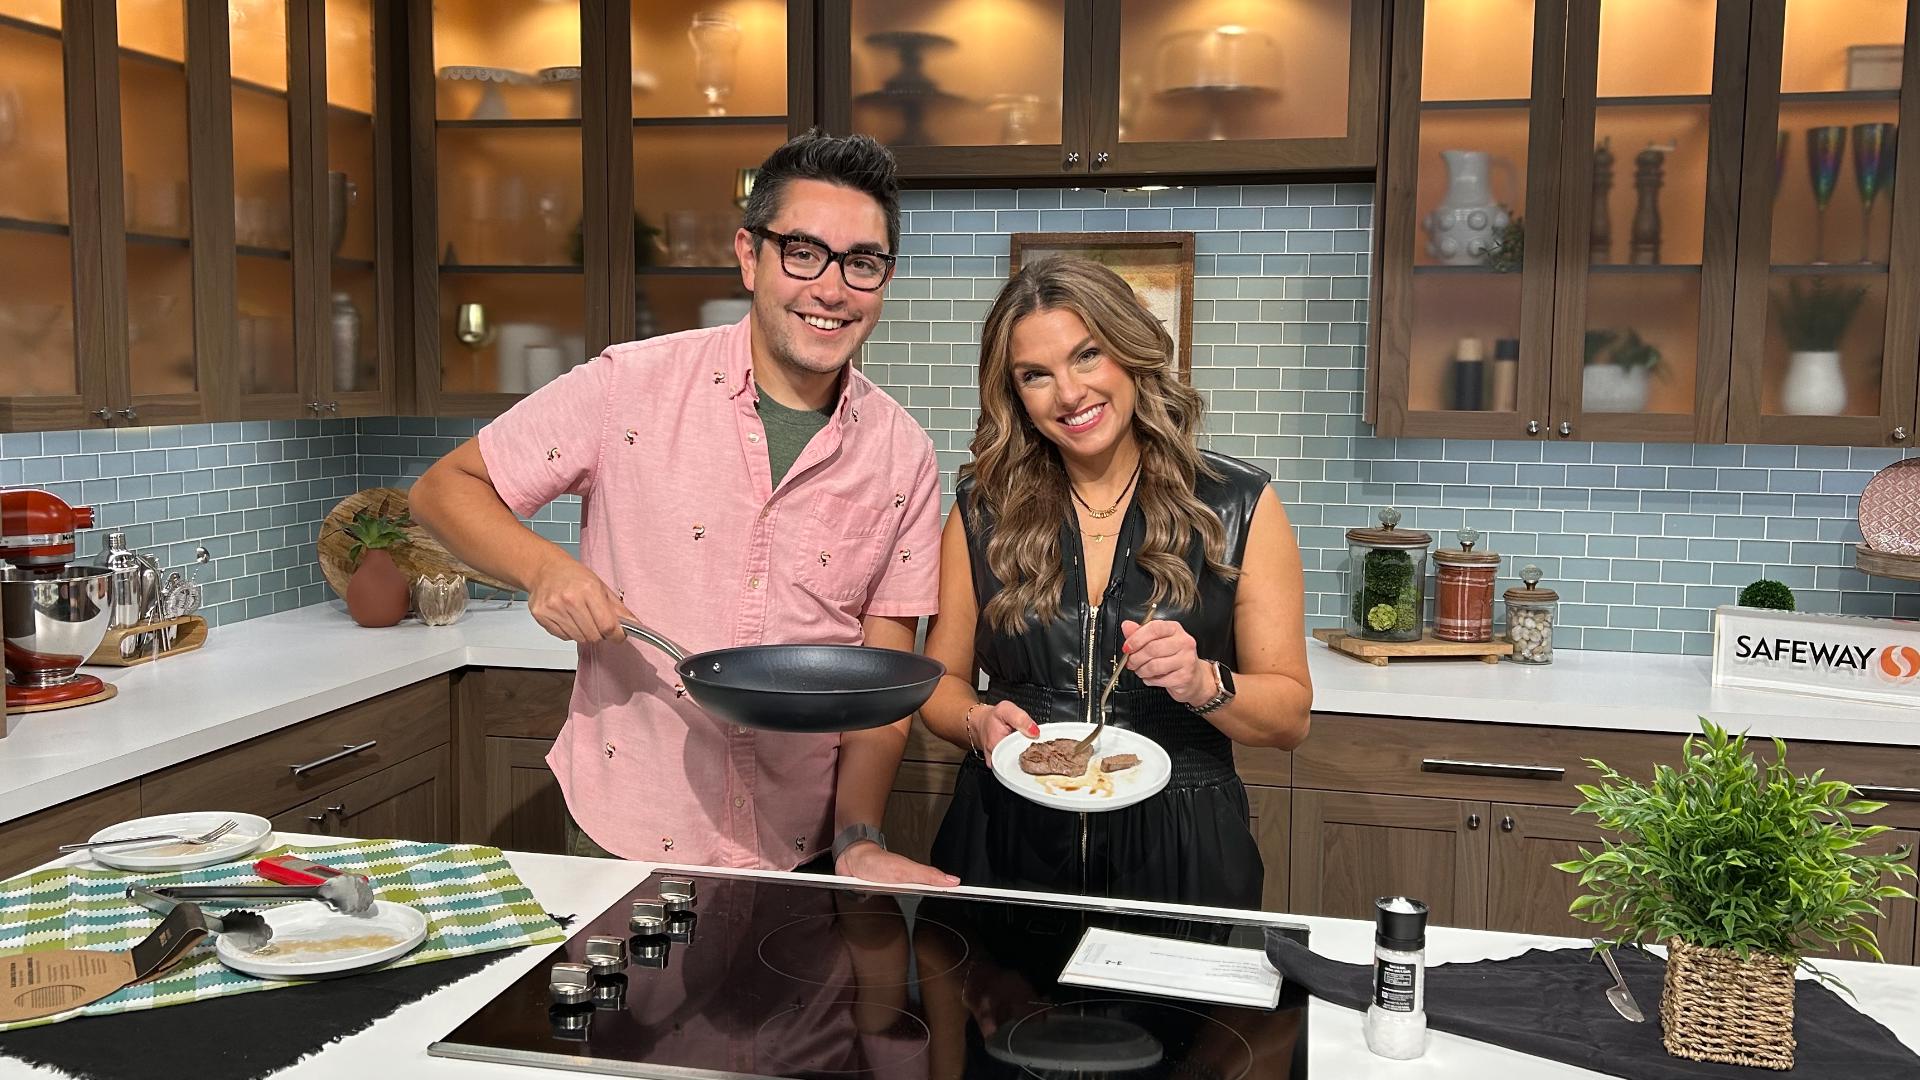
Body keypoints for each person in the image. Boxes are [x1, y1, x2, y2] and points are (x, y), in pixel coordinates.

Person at [411, 131, 957, 887]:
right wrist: (545, 569)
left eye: (862, 263)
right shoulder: (627, 386)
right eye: (803, 251)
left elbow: (879, 687)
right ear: (749, 255)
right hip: (626, 838)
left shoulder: (904, 454)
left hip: (802, 847)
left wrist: (859, 835)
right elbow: (443, 489)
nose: (832, 289)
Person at [920, 255, 1313, 909]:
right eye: (1035, 376)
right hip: (1004, 845)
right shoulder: (981, 510)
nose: (1069, 394)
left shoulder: (1240, 505)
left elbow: (1290, 716)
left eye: (1087, 355)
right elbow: (941, 684)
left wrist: (1202, 682)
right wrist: (976, 721)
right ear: (1014, 394)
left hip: (1181, 853)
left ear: (1130, 353)